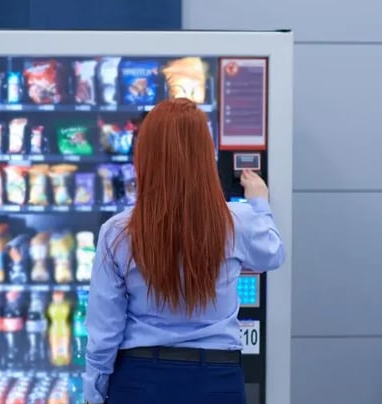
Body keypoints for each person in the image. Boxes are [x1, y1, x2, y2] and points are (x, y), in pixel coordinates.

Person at [83, 97, 285, 404]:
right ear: (206, 155)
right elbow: (273, 253)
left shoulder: (118, 232)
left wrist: (93, 394)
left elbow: (104, 329)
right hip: (217, 381)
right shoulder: (238, 221)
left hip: (139, 382)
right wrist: (259, 202)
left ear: (145, 156)